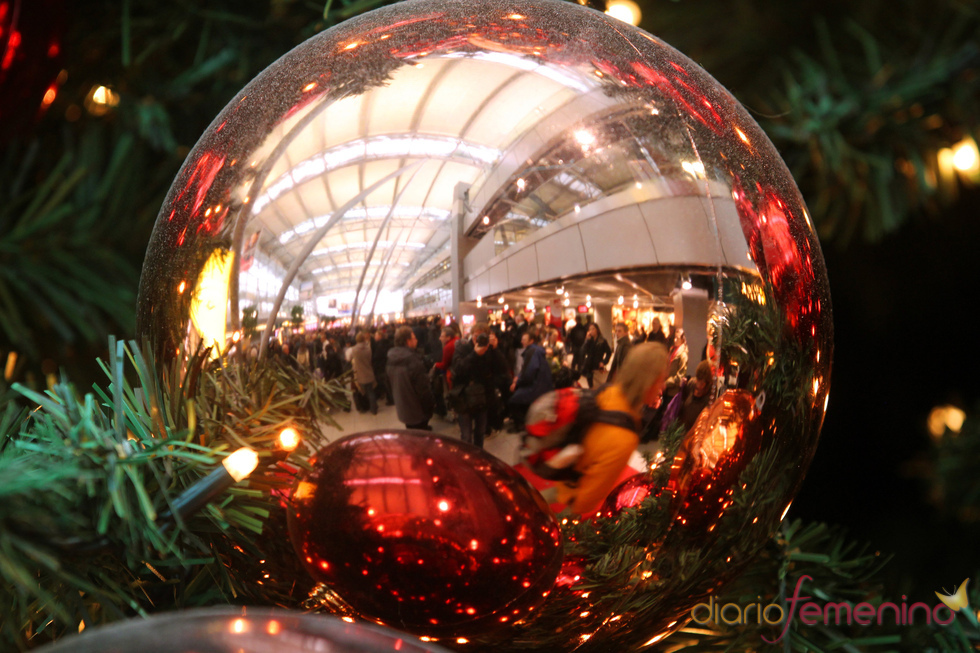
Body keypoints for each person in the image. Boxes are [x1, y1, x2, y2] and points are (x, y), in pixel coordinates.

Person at [555, 342, 670, 515]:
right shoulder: (625, 436)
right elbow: (584, 502)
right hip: (567, 503)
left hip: (559, 478)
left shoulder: (609, 392)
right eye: (661, 380)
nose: (663, 387)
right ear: (647, 383)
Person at [451, 322, 504, 447]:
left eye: (482, 336)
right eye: (475, 336)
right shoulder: (463, 348)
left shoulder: (490, 349)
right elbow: (457, 370)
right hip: (465, 397)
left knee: (480, 433)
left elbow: (503, 369)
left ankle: (478, 457)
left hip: (483, 397)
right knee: (466, 436)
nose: (478, 339)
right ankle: (467, 460)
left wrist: (496, 349)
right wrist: (475, 355)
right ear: (471, 335)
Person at [387, 326, 435, 430]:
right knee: (420, 439)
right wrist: (430, 408)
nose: (416, 340)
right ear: (408, 341)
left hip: (403, 408)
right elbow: (423, 390)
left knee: (412, 433)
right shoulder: (413, 361)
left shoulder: (391, 358)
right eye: (414, 338)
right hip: (417, 411)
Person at [508, 326, 553, 431]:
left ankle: (521, 425)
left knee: (513, 401)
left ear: (531, 341)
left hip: (537, 388)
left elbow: (528, 374)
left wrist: (517, 382)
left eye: (524, 340)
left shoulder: (531, 352)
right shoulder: (536, 350)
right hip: (542, 385)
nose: (521, 341)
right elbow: (527, 371)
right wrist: (518, 377)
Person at [576, 322, 611, 388]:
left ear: (597, 330)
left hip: (598, 365)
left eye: (593, 329)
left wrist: (604, 362)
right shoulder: (589, 340)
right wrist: (586, 340)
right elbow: (582, 352)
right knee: (591, 385)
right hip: (589, 366)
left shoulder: (602, 341)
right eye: (590, 329)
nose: (591, 331)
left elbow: (608, 352)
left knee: (598, 385)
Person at [351, 331, 378, 415]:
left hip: (360, 374)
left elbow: (350, 359)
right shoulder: (368, 348)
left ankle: (365, 407)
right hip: (369, 372)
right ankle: (374, 409)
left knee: (362, 391)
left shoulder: (354, 350)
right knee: (371, 392)